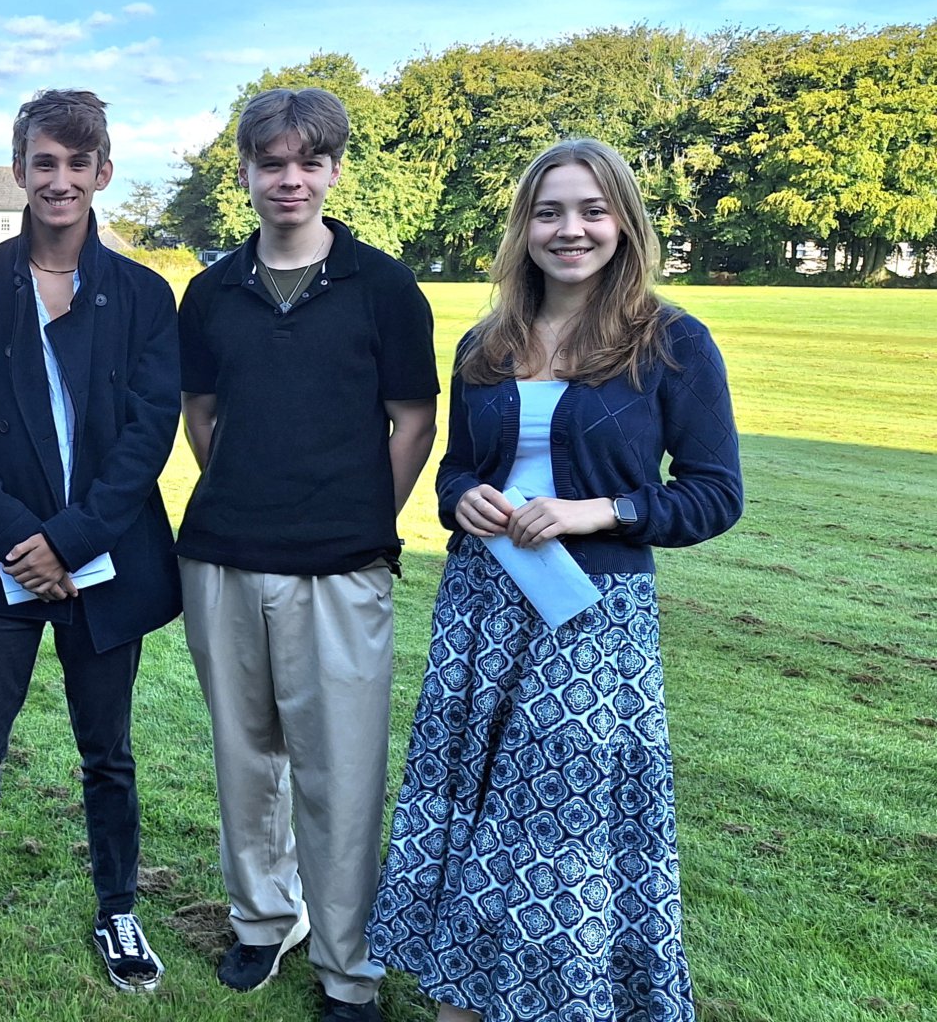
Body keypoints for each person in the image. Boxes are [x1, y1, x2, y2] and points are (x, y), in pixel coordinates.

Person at [369, 139, 743, 1022]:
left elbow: (714, 494)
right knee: (467, 805)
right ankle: (462, 994)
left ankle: (555, 997)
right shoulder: (487, 342)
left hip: (590, 620)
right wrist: (466, 500)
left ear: (623, 221)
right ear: (523, 227)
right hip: (481, 607)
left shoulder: (671, 341)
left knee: (555, 823)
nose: (569, 230)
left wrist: (596, 512)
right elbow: (455, 468)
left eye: (589, 210)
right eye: (548, 212)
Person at [177, 87, 439, 1022]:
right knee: (246, 757)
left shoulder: (384, 287)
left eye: (308, 162)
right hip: (220, 557)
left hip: (344, 565)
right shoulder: (209, 292)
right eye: (271, 162)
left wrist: (359, 509)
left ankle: (346, 967)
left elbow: (413, 418)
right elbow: (201, 416)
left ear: (332, 170)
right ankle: (260, 922)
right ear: (244, 172)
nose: (289, 179)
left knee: (341, 769)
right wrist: (253, 486)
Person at [0, 89, 181, 991]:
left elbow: (150, 435)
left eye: (80, 164)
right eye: (45, 163)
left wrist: (70, 541)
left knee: (106, 751)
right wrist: (18, 541)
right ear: (21, 167)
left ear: (103, 171)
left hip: (105, 558)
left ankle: (118, 911)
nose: (61, 180)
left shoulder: (146, 294)